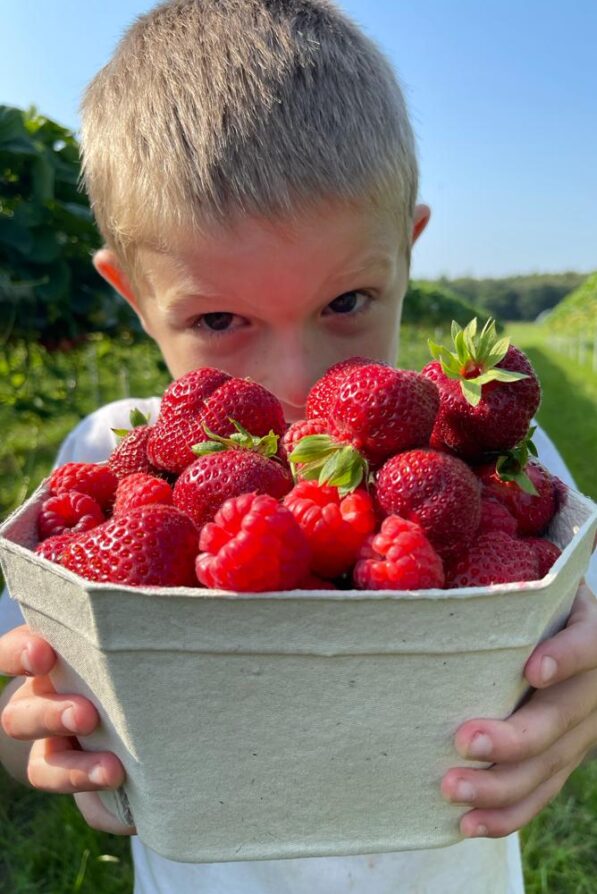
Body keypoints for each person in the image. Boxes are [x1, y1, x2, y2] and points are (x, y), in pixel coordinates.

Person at [1, 1, 596, 892]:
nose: (298, 377)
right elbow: (17, 691)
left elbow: (577, 634)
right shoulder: (103, 457)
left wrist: (579, 705)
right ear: (131, 295)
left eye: (346, 302)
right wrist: (42, 731)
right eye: (218, 319)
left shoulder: (500, 456)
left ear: (406, 250)